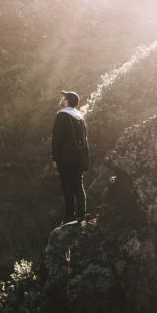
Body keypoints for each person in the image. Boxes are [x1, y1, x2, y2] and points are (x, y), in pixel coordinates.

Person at [50, 90, 90, 226]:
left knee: (67, 186)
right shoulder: (79, 117)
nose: (61, 99)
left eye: (63, 97)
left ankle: (70, 217)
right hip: (79, 158)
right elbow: (85, 141)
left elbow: (57, 138)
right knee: (78, 185)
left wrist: (54, 157)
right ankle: (82, 215)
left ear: (67, 101)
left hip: (66, 158)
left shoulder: (62, 115)